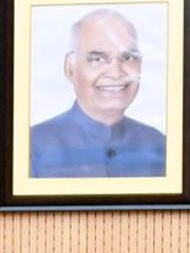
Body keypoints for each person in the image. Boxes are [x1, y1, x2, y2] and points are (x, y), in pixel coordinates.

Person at [29, 9, 167, 178]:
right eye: (97, 59)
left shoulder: (160, 146)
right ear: (70, 68)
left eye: (129, 57)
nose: (116, 73)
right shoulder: (31, 148)